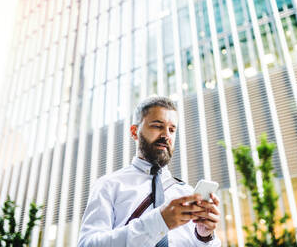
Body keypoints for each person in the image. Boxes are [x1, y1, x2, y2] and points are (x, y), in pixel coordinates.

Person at [78, 96, 221, 247]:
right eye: (157, 126)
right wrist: (159, 222)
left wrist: (204, 237)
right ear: (134, 132)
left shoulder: (187, 193)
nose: (166, 135)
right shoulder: (108, 185)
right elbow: (88, 244)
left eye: (172, 129)